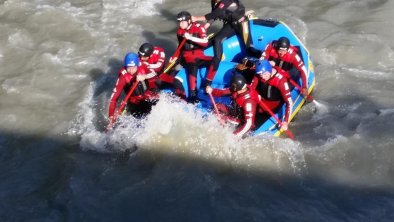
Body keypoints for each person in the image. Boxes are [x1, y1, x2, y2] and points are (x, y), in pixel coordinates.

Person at [191, 0, 258, 90]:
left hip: (241, 23)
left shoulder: (226, 1)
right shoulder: (215, 1)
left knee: (250, 49)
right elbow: (214, 15)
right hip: (230, 25)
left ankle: (262, 66)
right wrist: (206, 26)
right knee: (217, 40)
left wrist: (195, 18)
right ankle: (216, 61)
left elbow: (217, 13)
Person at [175, 11, 213, 103]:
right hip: (187, 56)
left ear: (189, 21)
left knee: (215, 60)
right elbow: (180, 47)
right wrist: (175, 57)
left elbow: (205, 42)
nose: (180, 24)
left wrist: (190, 38)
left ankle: (208, 83)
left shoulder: (199, 28)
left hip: (199, 54)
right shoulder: (180, 31)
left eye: (183, 22)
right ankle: (193, 94)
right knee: (193, 65)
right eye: (180, 22)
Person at [206, 74, 260, 138]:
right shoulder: (239, 88)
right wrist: (212, 90)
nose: (231, 88)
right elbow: (223, 92)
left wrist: (234, 135)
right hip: (235, 111)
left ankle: (222, 128)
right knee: (217, 107)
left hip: (241, 121)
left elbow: (249, 124)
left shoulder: (249, 102)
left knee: (222, 117)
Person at [108, 52, 158, 120]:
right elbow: (113, 98)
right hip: (134, 101)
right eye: (129, 67)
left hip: (147, 95)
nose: (131, 70)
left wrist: (145, 76)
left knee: (157, 105)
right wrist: (111, 115)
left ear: (137, 65)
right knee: (142, 116)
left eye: (133, 67)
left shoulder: (142, 65)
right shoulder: (122, 77)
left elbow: (154, 74)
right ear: (126, 66)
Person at [250, 60, 293, 131]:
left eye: (265, 74)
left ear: (269, 70)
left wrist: (285, 122)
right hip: (261, 100)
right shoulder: (259, 74)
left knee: (257, 121)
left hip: (274, 104)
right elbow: (252, 89)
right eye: (261, 75)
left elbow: (289, 102)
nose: (263, 77)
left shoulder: (281, 81)